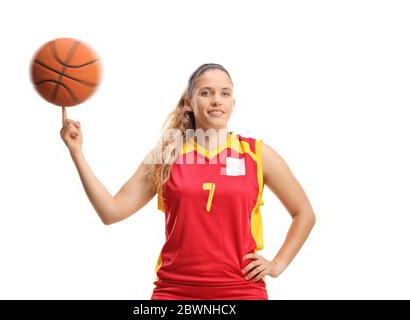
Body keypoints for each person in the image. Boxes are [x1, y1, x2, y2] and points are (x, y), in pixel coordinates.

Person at [60, 63, 316, 300]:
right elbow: (111, 211)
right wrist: (76, 152)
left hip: (241, 289)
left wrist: (277, 265)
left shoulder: (257, 154)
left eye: (225, 93)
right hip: (175, 290)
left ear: (233, 103)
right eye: (206, 92)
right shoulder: (167, 154)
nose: (216, 100)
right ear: (189, 103)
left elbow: (304, 213)